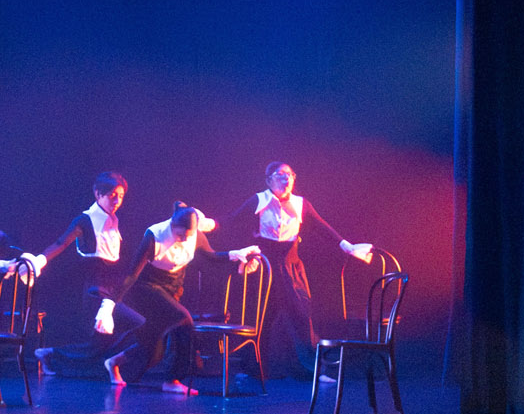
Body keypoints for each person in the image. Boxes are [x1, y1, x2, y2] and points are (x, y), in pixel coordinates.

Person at [222, 162, 374, 378]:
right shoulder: (259, 200)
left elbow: (324, 229)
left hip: (291, 267)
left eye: (290, 175)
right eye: (280, 175)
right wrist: (208, 224)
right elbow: (233, 219)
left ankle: (318, 370)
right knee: (261, 318)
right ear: (268, 180)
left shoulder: (301, 204)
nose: (286, 179)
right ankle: (253, 369)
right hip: (265, 268)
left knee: (302, 316)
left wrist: (347, 247)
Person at [102, 204, 261, 393]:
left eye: (189, 235)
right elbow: (131, 275)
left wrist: (236, 255)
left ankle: (114, 362)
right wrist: (108, 305)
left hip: (173, 286)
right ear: (171, 226)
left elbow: (211, 257)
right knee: (184, 319)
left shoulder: (195, 235)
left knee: (156, 344)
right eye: (180, 235)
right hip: (147, 287)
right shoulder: (155, 235)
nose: (184, 239)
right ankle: (172, 381)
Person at [34, 173, 143, 378]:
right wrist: (39, 260)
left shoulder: (114, 220)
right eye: (112, 195)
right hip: (96, 291)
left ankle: (49, 354)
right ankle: (111, 364)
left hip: (113, 290)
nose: (117, 201)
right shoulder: (85, 219)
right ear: (97, 193)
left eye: (120, 196)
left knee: (100, 344)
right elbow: (61, 243)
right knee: (139, 325)